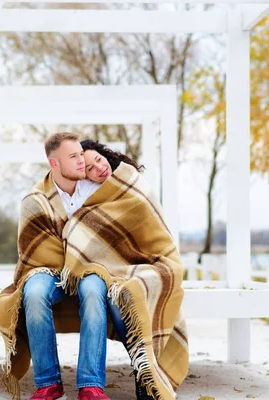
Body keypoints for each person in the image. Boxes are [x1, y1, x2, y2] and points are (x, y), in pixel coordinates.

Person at [0, 133, 114, 400]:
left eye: (80, 154)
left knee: (95, 291)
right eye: (73, 157)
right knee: (34, 293)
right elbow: (33, 250)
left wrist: (80, 258)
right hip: (47, 270)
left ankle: (91, 385)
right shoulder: (35, 199)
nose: (81, 162)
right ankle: (49, 383)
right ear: (54, 163)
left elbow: (106, 236)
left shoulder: (97, 189)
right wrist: (64, 258)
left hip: (89, 267)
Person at [69, 139, 188, 400]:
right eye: (89, 168)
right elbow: (82, 235)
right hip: (108, 270)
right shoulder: (90, 197)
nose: (98, 168)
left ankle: (146, 373)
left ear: (106, 156)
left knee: (131, 292)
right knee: (117, 297)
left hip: (148, 262)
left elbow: (155, 230)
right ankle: (143, 370)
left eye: (99, 159)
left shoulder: (134, 182)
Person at [80, 139, 144, 183]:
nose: (100, 168)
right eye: (90, 168)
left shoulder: (131, 176)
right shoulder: (89, 198)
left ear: (104, 156)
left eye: (99, 159)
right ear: (86, 177)